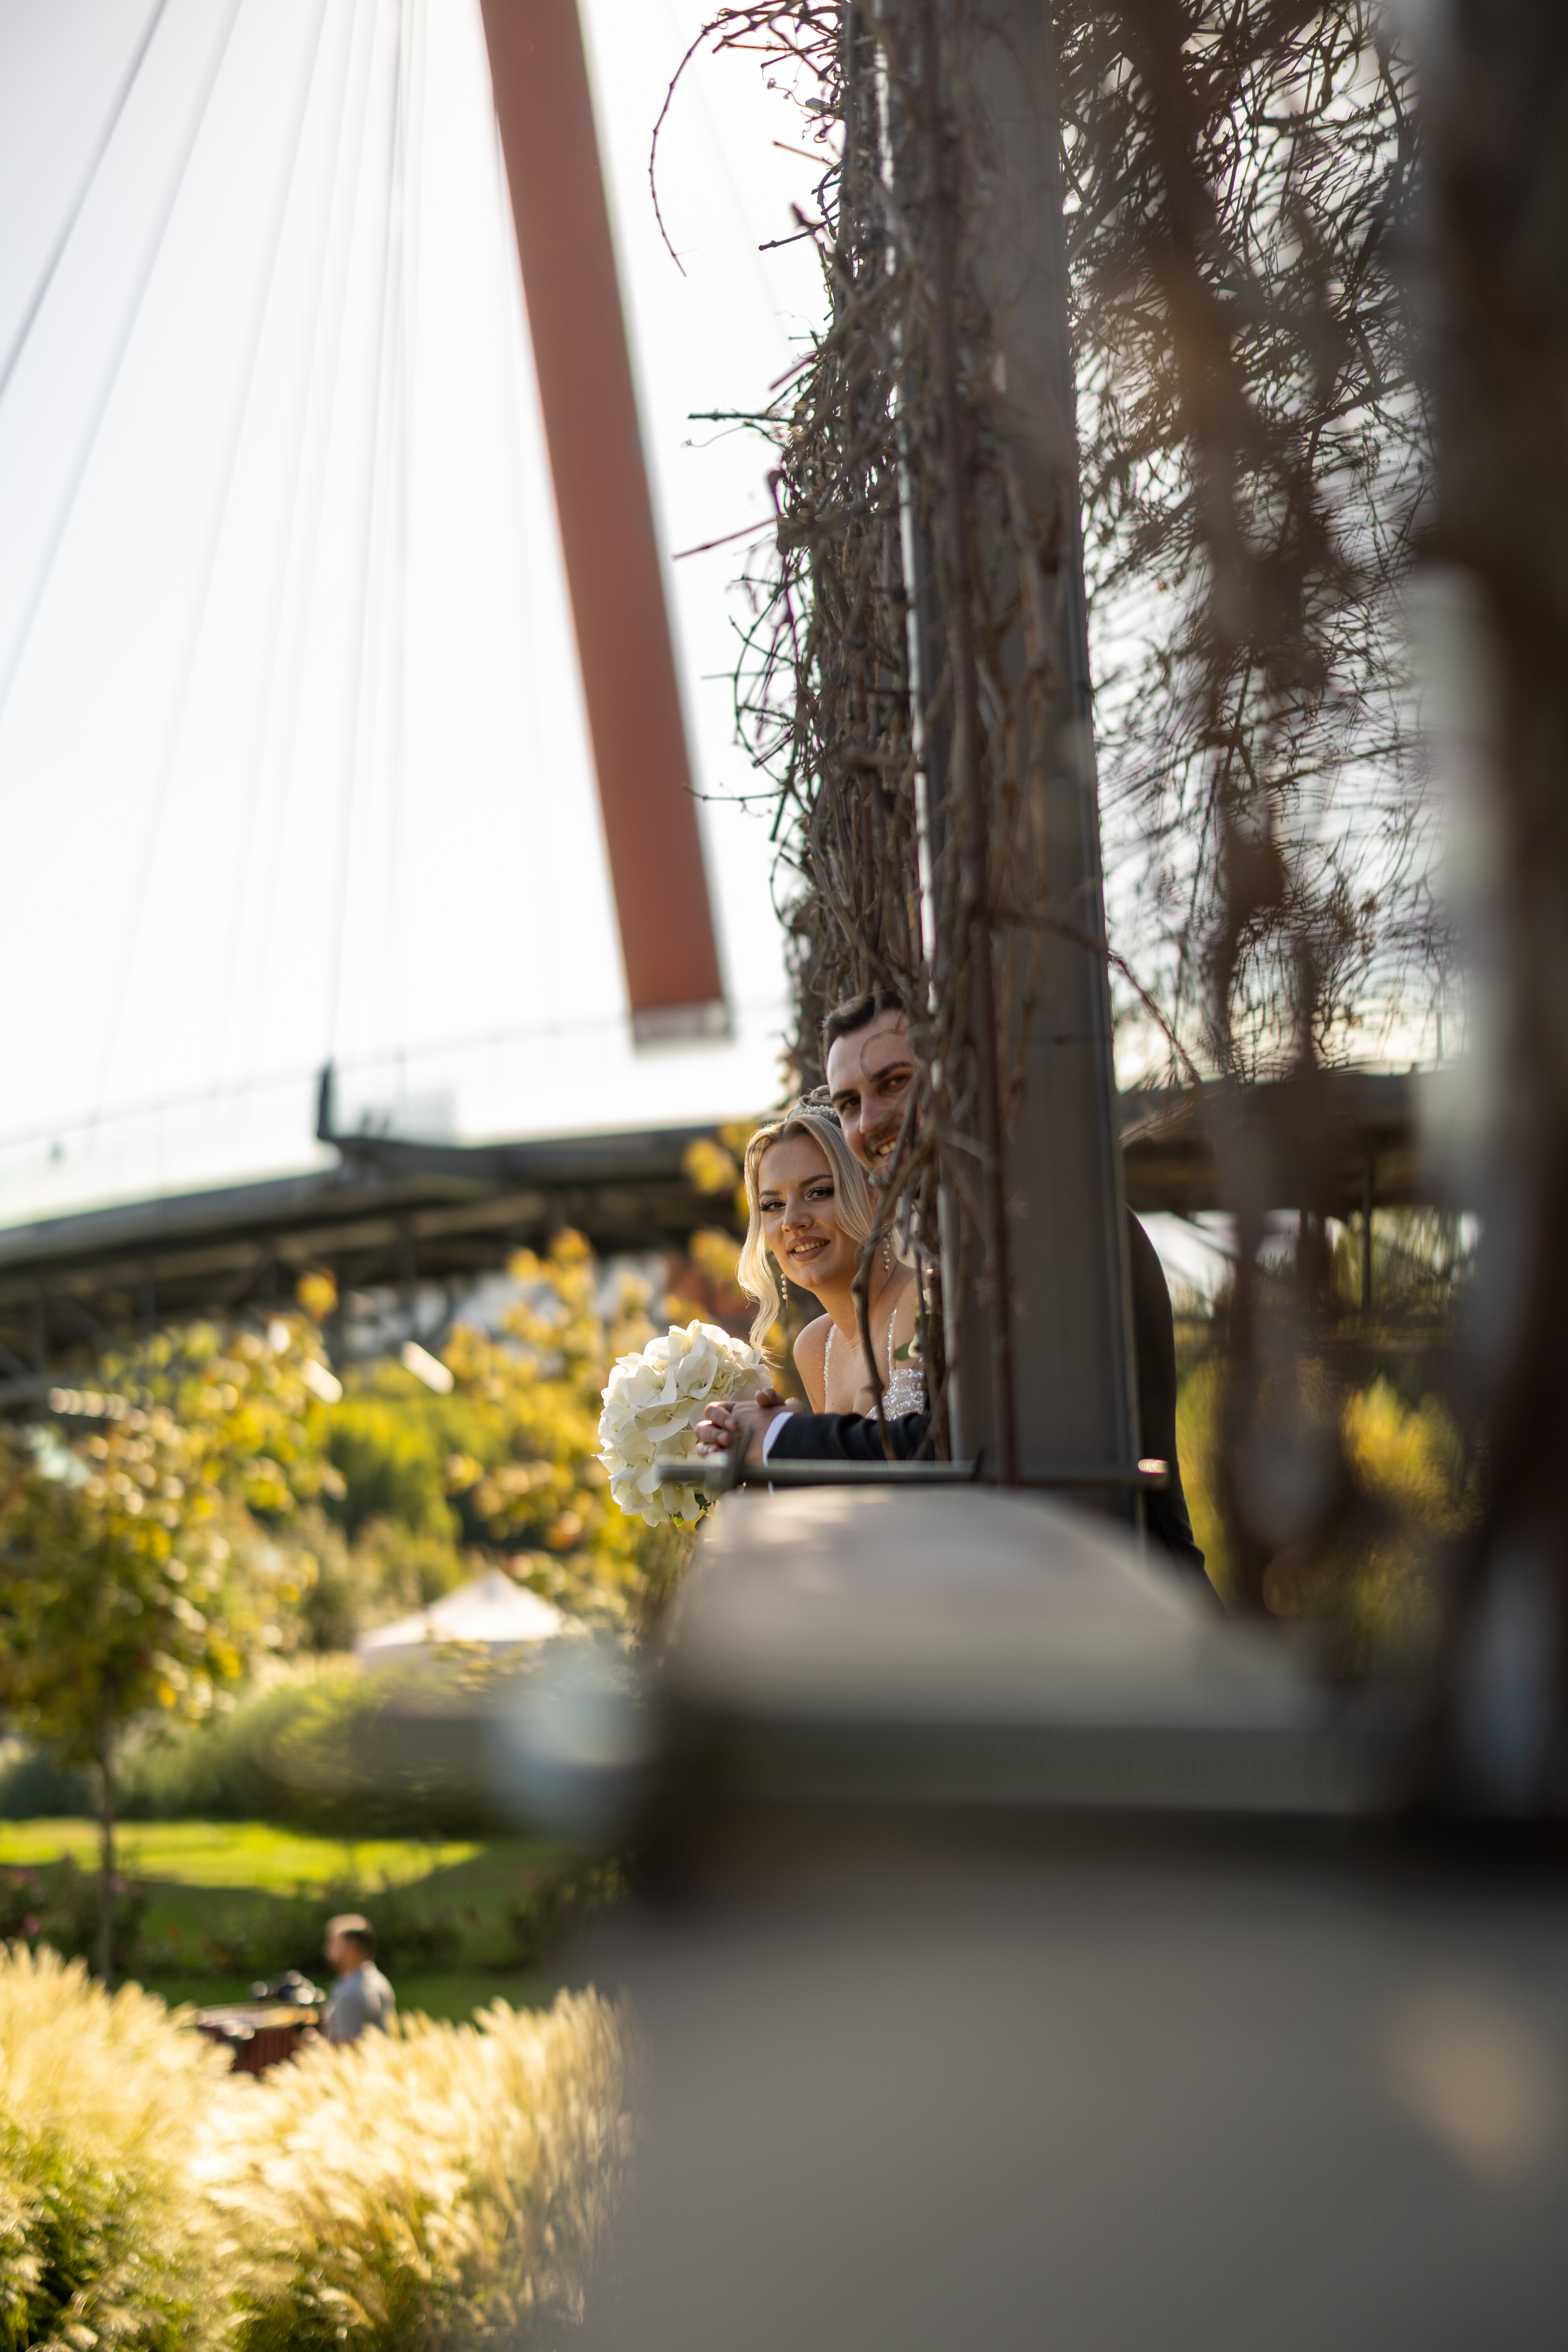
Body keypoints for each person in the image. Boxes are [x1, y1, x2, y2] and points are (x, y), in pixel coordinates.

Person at [697, 990, 1204, 1580]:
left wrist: (785, 1440)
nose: (871, 1121)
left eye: (894, 1083)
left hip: (1120, 1592)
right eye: (850, 1103)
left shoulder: (1036, 1220)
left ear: (951, 1078)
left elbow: (968, 1448)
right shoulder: (957, 1238)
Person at [735, 1103, 927, 1423]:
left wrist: (794, 1436)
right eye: (773, 1205)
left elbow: (914, 1448)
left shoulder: (921, 1298)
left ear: (881, 1201)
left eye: (819, 1192)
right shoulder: (814, 1347)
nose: (791, 1221)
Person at [321, 1913, 396, 2045]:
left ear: (352, 1949)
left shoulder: (350, 1994)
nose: (327, 1949)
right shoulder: (378, 1979)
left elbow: (347, 2050)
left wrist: (313, 2043)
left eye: (333, 1943)